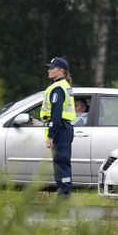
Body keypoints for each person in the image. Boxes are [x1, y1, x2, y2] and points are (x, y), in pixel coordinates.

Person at [41, 56, 76, 198]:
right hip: (64, 128)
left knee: (61, 164)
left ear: (60, 70)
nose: (49, 70)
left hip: (60, 130)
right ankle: (64, 196)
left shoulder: (58, 88)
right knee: (62, 163)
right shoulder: (64, 86)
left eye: (52, 68)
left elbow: (56, 114)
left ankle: (63, 198)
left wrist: (51, 135)